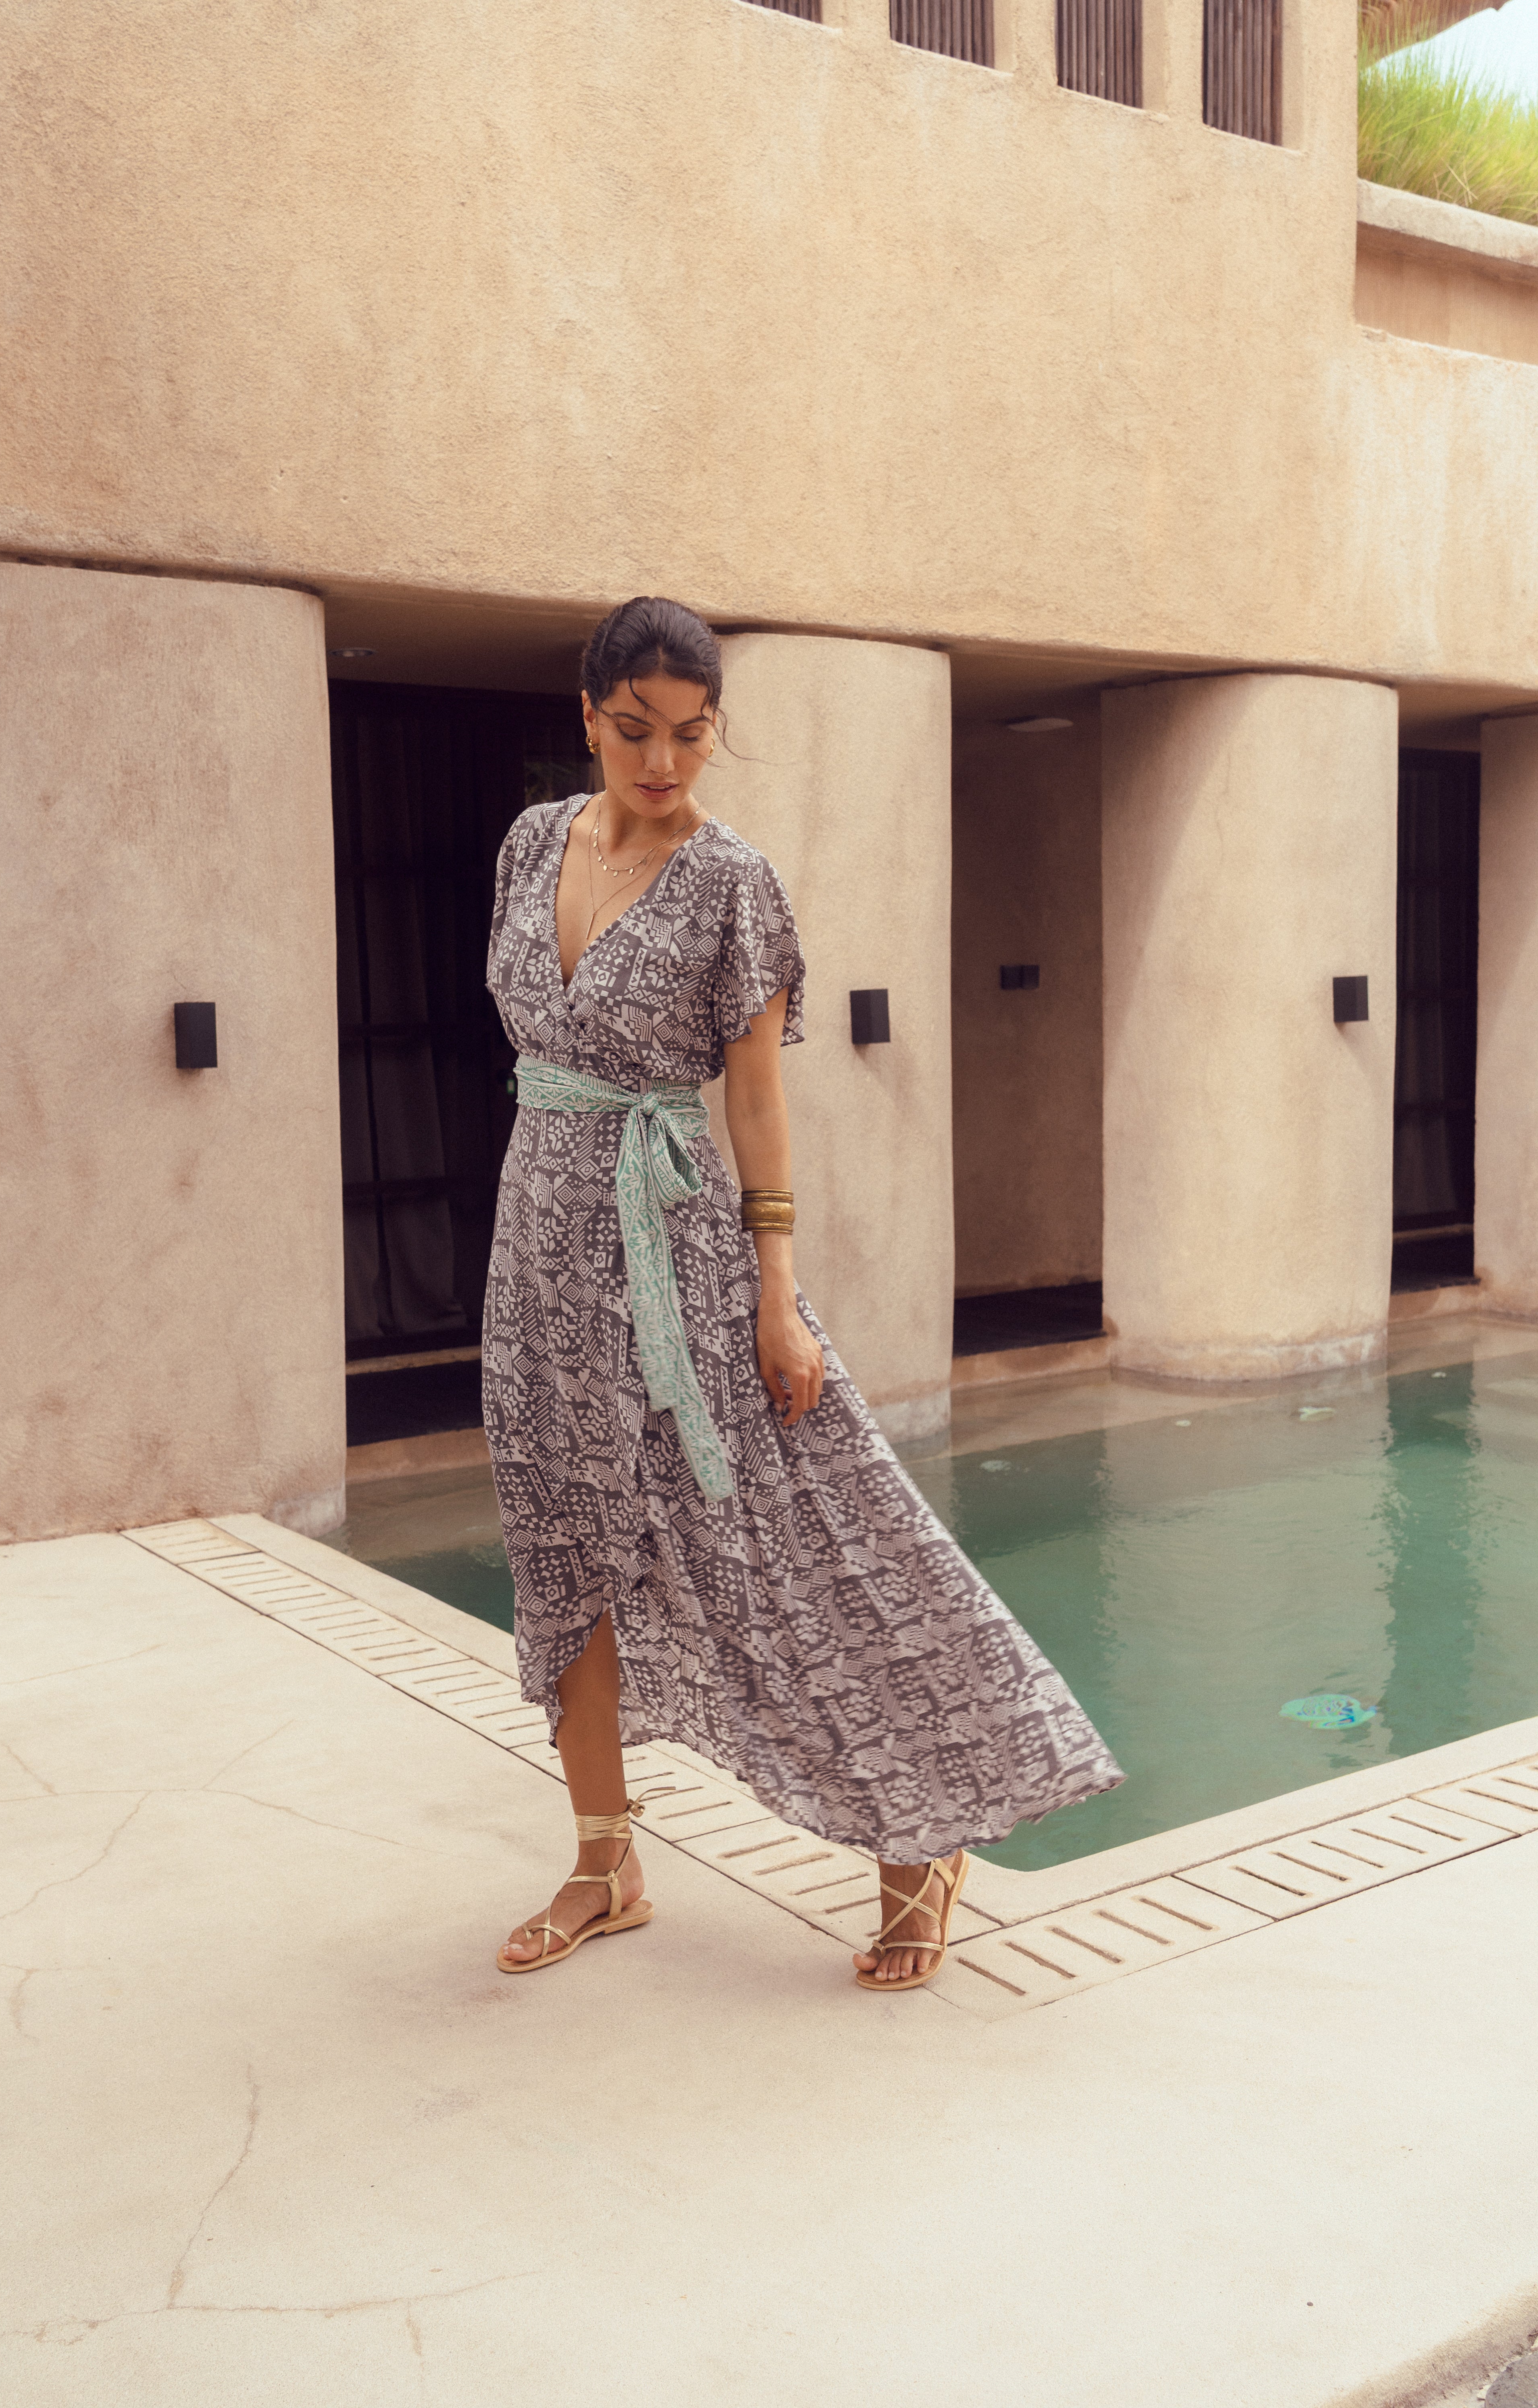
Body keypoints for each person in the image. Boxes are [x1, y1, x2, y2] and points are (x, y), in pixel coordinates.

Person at [484, 596, 1121, 1990]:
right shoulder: (532, 844)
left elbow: (759, 1108)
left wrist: (779, 1296)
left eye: (694, 736)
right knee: (564, 1552)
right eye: (638, 733)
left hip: (685, 1250)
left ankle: (922, 1844)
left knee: (813, 1537)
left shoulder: (735, 884)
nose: (666, 764)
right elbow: (540, 1053)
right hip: (536, 1254)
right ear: (588, 717)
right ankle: (606, 1866)